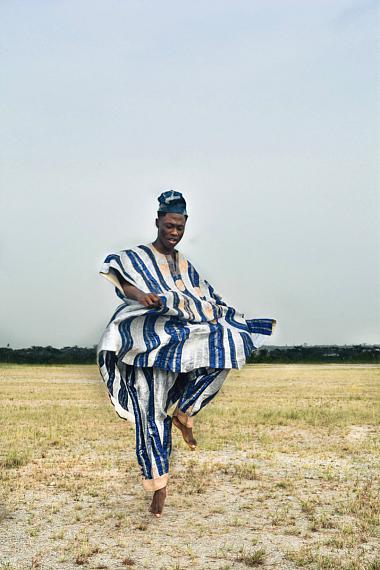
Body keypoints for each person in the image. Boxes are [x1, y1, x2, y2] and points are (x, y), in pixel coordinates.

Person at [97, 190, 276, 517]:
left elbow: (202, 297)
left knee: (228, 346)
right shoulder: (139, 257)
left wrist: (222, 312)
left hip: (178, 344)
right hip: (145, 344)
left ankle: (186, 411)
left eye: (179, 227)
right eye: (168, 225)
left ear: (185, 225)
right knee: (150, 415)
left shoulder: (184, 264)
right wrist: (143, 295)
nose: (174, 232)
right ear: (158, 222)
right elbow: (121, 279)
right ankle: (157, 488)